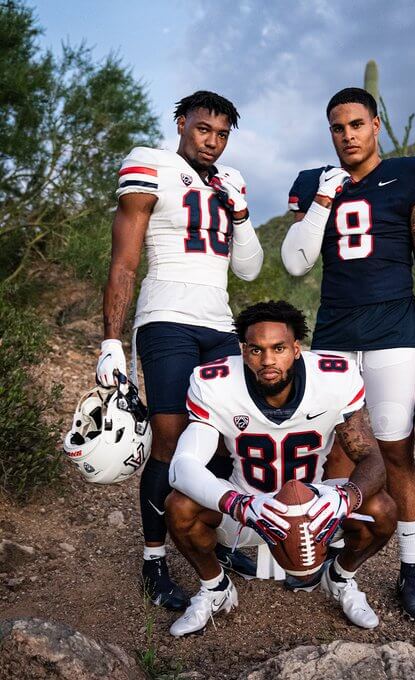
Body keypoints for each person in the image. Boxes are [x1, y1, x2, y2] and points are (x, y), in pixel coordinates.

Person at [280, 87, 415, 622]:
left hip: (392, 332)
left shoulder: (409, 176)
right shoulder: (317, 184)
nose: (347, 135)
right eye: (337, 128)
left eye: (356, 124)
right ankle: (331, 552)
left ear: (376, 125)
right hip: (334, 331)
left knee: (397, 451)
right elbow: (298, 259)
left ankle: (412, 568)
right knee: (334, 450)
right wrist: (321, 201)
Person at [96, 91, 264, 610]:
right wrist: (110, 341)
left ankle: (205, 541)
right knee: (169, 442)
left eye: (221, 134)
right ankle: (153, 560)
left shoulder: (229, 180)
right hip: (166, 317)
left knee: (216, 444)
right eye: (202, 130)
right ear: (181, 123)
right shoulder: (151, 164)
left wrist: (240, 213)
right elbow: (124, 261)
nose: (211, 142)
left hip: (219, 325)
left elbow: (249, 269)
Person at [165, 300, 397, 636]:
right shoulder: (215, 382)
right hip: (247, 503)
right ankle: (215, 587)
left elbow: (373, 460)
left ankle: (340, 578)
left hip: (315, 506)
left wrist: (344, 498)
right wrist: (240, 504)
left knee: (382, 510)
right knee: (179, 506)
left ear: (296, 349)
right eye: (256, 350)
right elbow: (182, 467)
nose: (268, 360)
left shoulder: (334, 378)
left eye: (279, 348)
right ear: (244, 352)